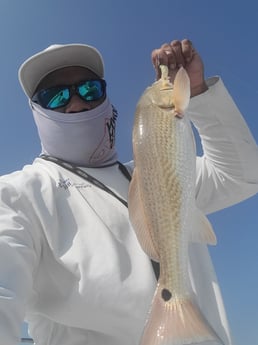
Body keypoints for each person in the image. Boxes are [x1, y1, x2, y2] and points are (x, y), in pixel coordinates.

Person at [0, 39, 257, 345]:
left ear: (106, 95)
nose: (77, 103)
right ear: (36, 110)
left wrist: (197, 92)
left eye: (89, 89)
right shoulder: (17, 195)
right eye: (54, 96)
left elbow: (243, 176)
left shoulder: (158, 169)